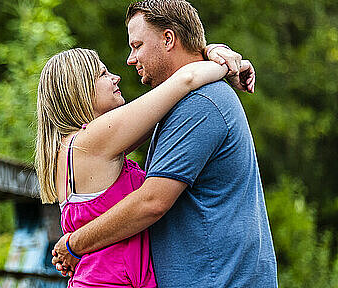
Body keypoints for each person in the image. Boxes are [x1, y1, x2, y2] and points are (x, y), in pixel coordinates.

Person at [51, 0, 277, 287]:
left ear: (168, 38)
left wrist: (74, 244)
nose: (130, 60)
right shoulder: (174, 107)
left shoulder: (200, 103)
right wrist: (217, 56)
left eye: (137, 45)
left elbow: (152, 202)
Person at [36, 44, 251, 286]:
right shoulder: (91, 141)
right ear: (79, 91)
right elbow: (185, 80)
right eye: (103, 74)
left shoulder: (75, 148)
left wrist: (209, 51)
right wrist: (226, 66)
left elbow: (165, 110)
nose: (115, 77)